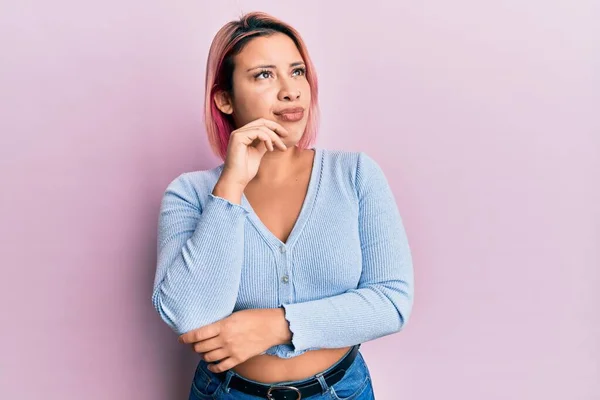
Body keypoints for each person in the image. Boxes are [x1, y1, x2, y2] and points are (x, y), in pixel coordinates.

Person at [152, 11, 414, 400]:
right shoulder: (189, 194)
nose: (291, 91)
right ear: (224, 99)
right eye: (263, 75)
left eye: (297, 72)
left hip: (340, 391)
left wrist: (279, 325)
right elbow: (189, 315)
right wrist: (231, 187)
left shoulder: (355, 174)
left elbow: (391, 302)